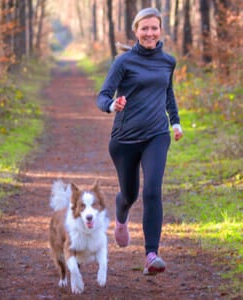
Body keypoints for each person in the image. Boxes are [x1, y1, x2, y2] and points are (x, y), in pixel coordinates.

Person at [96, 7, 183, 276]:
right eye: (144, 28)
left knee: (152, 191)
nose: (149, 33)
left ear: (160, 30)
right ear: (135, 31)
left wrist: (175, 122)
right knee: (130, 193)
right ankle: (121, 218)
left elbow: (168, 93)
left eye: (154, 28)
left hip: (157, 135)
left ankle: (151, 255)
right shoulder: (123, 62)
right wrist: (112, 106)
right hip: (124, 140)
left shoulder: (168, 61)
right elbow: (102, 96)